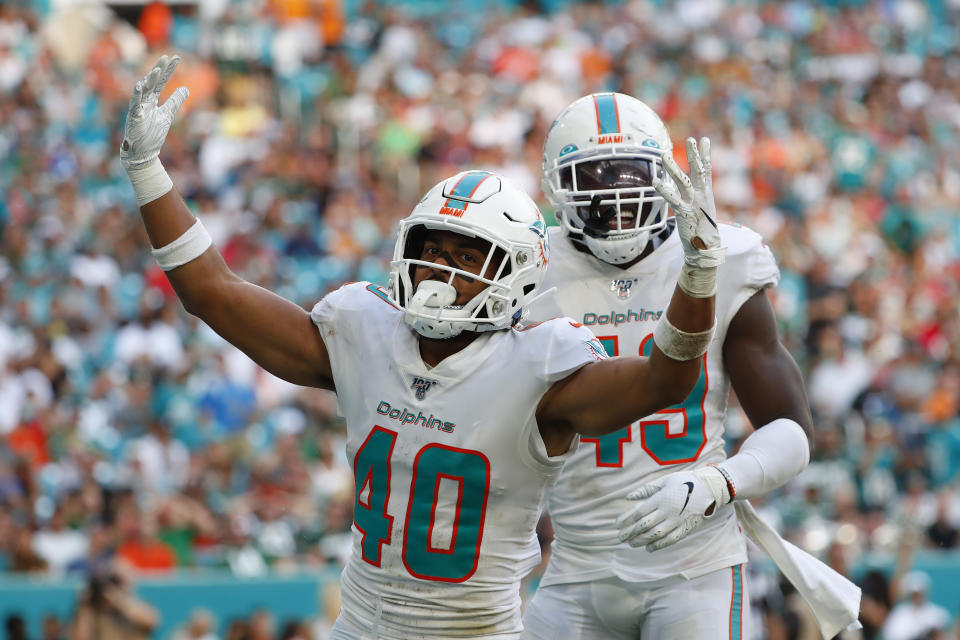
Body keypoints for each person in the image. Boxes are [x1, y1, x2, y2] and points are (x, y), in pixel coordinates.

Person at [119, 57, 721, 638]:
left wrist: (696, 275)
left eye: (466, 257)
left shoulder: (539, 367)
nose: (439, 270)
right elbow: (212, 293)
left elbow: (664, 382)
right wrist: (148, 169)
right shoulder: (364, 331)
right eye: (433, 250)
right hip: (359, 628)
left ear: (515, 275)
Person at [522, 92, 836, 639]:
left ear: (663, 176)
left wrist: (718, 483)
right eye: (593, 179)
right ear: (557, 187)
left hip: (697, 568)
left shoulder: (724, 258)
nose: (616, 198)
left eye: (629, 176)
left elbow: (793, 431)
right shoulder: (529, 274)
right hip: (575, 566)